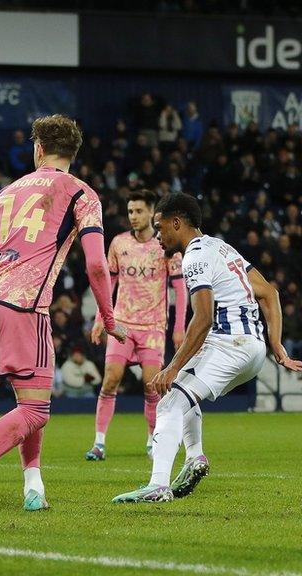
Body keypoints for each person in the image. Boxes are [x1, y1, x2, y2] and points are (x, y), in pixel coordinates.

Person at [0, 114, 126, 514]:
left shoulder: (4, 193)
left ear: (38, 149)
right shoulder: (81, 193)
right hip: (24, 304)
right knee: (35, 409)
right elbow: (96, 266)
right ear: (74, 152)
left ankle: (33, 486)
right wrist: (108, 315)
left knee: (29, 401)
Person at [114, 194, 302, 504]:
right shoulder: (221, 247)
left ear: (178, 223)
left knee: (169, 402)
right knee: (182, 393)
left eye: (160, 228)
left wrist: (173, 365)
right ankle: (195, 457)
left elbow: (202, 319)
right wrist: (276, 346)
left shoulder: (194, 257)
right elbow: (269, 292)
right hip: (251, 348)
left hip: (229, 344)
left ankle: (158, 485)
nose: (158, 236)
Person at [86, 191, 187, 461]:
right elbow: (108, 285)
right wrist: (100, 320)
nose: (133, 217)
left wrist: (179, 327)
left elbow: (180, 288)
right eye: (130, 211)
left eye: (139, 211)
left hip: (153, 326)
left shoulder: (164, 245)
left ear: (151, 213)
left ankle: (152, 442)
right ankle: (99, 443)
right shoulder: (118, 243)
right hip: (122, 325)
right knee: (110, 379)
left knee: (151, 385)